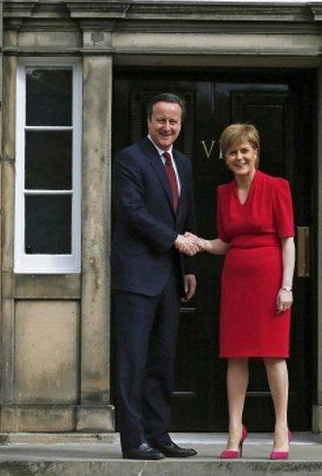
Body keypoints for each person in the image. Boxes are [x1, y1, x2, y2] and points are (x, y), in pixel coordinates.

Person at [189, 123, 296, 460]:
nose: (239, 157)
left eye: (244, 150)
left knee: (273, 354)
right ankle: (235, 429)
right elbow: (226, 242)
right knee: (236, 355)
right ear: (225, 157)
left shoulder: (277, 187)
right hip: (236, 281)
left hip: (270, 280)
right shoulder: (223, 193)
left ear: (256, 152)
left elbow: (288, 241)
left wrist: (287, 287)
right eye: (232, 152)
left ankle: (281, 428)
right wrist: (202, 243)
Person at [111, 93, 200, 460]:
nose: (167, 127)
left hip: (170, 277)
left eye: (173, 121)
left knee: (162, 362)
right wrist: (174, 240)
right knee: (132, 361)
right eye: (161, 120)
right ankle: (133, 441)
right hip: (136, 276)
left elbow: (187, 216)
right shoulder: (130, 159)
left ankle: (159, 435)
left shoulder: (184, 163)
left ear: (180, 125)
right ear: (149, 121)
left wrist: (189, 268)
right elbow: (131, 212)